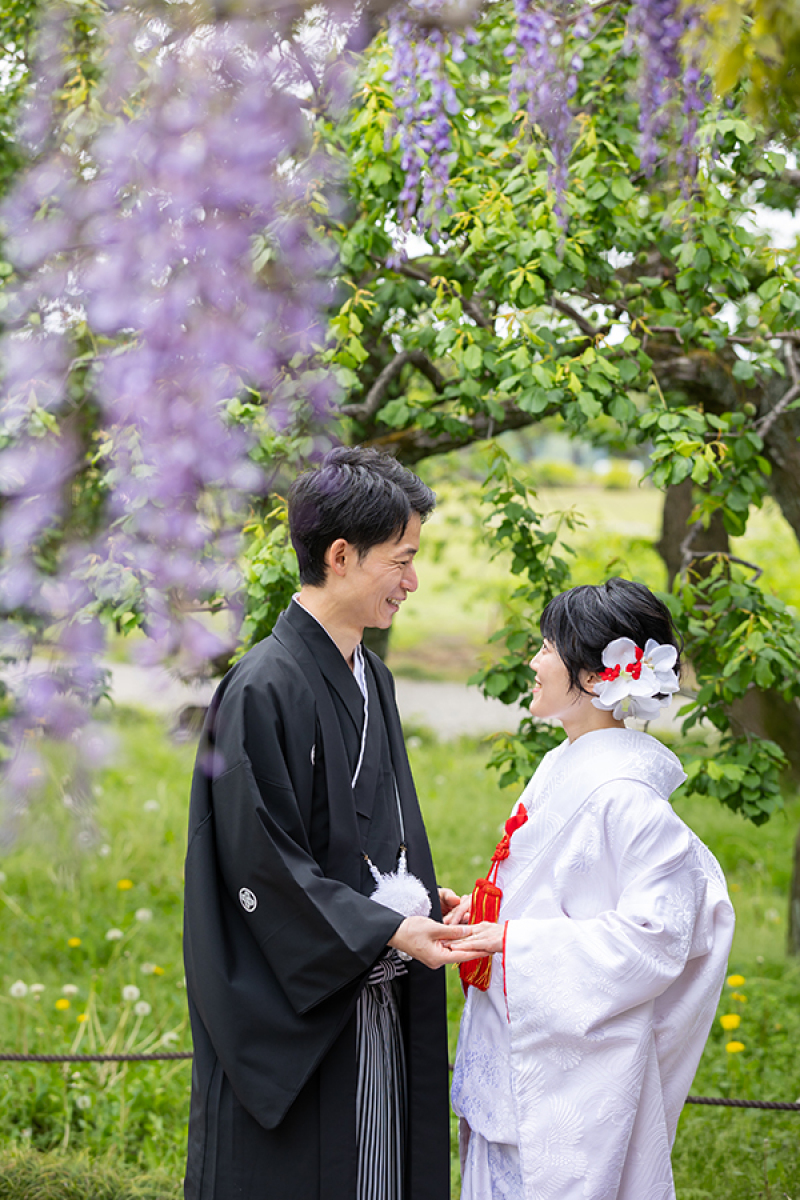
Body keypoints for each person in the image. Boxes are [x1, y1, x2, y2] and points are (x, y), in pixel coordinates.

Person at [183, 446, 466, 1200]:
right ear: (341, 556)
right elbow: (258, 865)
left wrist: (422, 903)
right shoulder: (263, 686)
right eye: (401, 561)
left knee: (377, 1167)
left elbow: (381, 830)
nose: (412, 581)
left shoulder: (371, 673)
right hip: (304, 1003)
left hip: (373, 981)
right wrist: (380, 928)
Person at [444, 578, 735, 1200]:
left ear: (597, 674)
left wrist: (512, 942)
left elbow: (656, 938)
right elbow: (550, 890)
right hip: (523, 1044)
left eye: (548, 646)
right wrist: (485, 915)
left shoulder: (626, 797)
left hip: (570, 1074)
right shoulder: (565, 764)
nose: (534, 660)